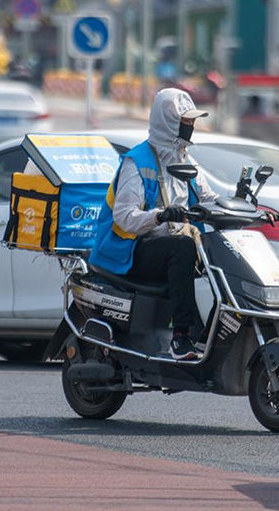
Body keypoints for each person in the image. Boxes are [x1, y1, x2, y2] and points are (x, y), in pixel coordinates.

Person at [88, 88, 218, 360]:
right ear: (170, 122)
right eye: (186, 122)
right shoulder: (137, 162)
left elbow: (210, 198)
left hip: (165, 245)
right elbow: (124, 217)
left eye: (192, 122)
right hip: (129, 248)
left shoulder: (184, 159)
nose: (191, 127)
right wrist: (160, 215)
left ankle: (208, 332)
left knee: (216, 249)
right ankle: (181, 336)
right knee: (182, 247)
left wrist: (250, 208)